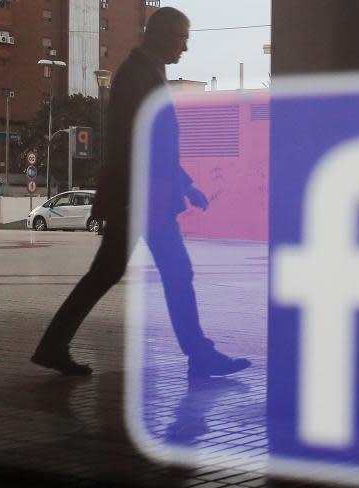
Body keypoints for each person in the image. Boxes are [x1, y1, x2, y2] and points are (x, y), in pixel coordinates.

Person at [32, 8, 249, 378]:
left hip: (143, 195)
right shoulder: (138, 75)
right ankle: (199, 355)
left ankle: (53, 345)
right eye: (182, 36)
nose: (186, 45)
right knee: (174, 272)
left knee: (108, 273)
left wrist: (186, 183)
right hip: (142, 197)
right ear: (161, 34)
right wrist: (143, 193)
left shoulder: (146, 72)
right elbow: (136, 142)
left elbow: (154, 143)